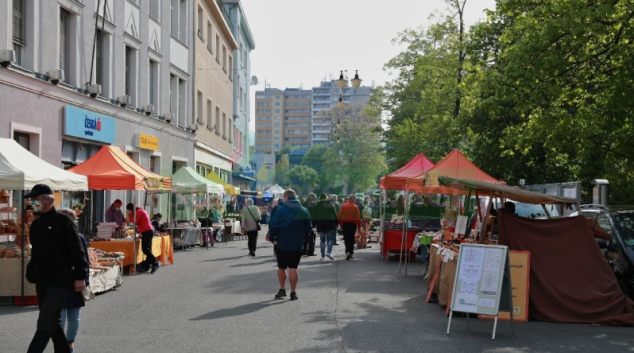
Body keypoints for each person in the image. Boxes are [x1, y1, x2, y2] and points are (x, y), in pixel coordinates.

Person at [25, 184, 87, 353]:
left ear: (47, 200)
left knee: (45, 323)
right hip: (42, 282)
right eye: (32, 200)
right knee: (53, 323)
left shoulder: (63, 221)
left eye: (36, 200)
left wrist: (80, 276)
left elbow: (77, 250)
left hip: (60, 281)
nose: (33, 203)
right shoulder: (36, 224)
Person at [269, 189, 311, 301]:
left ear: (286, 197)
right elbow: (308, 228)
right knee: (293, 267)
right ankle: (293, 292)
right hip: (297, 244)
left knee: (281, 267)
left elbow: (273, 225)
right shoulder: (303, 210)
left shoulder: (280, 210)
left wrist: (273, 238)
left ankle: (282, 289)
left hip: (282, 243)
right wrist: (305, 239)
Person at [57, 208, 90, 353]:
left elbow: (85, 261)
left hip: (74, 281)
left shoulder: (80, 238)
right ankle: (64, 345)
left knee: (73, 318)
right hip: (59, 282)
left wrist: (84, 279)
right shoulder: (52, 237)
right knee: (62, 318)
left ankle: (70, 342)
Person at [126, 203, 159, 273]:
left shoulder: (139, 212)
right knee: (148, 249)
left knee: (145, 249)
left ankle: (155, 262)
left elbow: (135, 222)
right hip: (147, 231)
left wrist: (130, 214)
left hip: (147, 231)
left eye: (128, 210)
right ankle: (146, 267)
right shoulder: (140, 211)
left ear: (130, 209)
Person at [313, 193, 338, 260]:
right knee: (331, 239)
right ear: (326, 197)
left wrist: (313, 224)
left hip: (320, 224)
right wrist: (337, 223)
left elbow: (314, 215)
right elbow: (334, 214)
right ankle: (329, 252)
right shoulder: (330, 204)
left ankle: (322, 255)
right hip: (330, 223)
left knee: (322, 240)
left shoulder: (317, 205)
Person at [338, 195, 362, 260]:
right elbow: (358, 217)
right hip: (353, 224)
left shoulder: (343, 206)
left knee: (346, 238)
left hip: (345, 224)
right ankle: (351, 252)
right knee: (352, 238)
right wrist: (359, 227)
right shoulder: (355, 207)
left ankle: (347, 251)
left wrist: (340, 224)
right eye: (355, 199)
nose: (355, 200)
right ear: (353, 199)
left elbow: (339, 215)